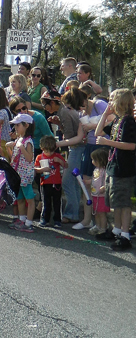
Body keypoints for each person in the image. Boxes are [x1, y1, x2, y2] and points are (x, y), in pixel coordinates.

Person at [95, 88, 136, 250]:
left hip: (124, 167)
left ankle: (125, 235)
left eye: (112, 99)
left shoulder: (129, 122)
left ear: (121, 102)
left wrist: (108, 143)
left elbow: (132, 145)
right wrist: (105, 114)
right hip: (114, 165)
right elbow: (98, 132)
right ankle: (117, 230)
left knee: (123, 202)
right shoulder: (118, 120)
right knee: (115, 200)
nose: (109, 102)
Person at [42, 89, 85, 224]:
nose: (45, 107)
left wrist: (57, 143)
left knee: (67, 181)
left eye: (46, 104)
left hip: (78, 148)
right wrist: (59, 124)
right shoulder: (63, 111)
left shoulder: (64, 112)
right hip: (76, 148)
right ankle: (74, 213)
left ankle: (71, 214)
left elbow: (72, 136)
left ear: (54, 102)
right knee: (74, 181)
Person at [71, 85, 108, 230]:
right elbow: (81, 134)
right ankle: (87, 220)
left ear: (87, 98)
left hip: (103, 146)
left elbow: (110, 120)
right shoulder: (81, 113)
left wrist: (92, 126)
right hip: (90, 147)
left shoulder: (99, 104)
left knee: (101, 182)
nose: (81, 109)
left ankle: (102, 220)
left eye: (82, 105)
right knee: (86, 183)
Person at [8, 113, 36, 232]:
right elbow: (15, 158)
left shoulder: (28, 142)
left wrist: (21, 147)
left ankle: (29, 222)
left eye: (18, 125)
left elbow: (29, 158)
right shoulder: (19, 139)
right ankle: (22, 219)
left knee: (29, 199)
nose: (15, 128)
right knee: (19, 198)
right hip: (18, 174)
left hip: (25, 175)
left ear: (26, 125)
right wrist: (10, 147)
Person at [34, 135, 66, 228]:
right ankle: (44, 219)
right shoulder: (40, 157)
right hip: (45, 183)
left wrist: (59, 160)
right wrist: (42, 169)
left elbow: (65, 165)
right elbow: (36, 169)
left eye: (51, 151)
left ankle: (57, 220)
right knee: (46, 202)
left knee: (57, 202)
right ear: (42, 148)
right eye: (46, 151)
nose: (48, 153)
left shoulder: (57, 156)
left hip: (56, 183)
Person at [89, 148, 113, 238]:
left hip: (102, 196)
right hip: (95, 195)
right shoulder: (96, 170)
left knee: (102, 212)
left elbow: (107, 181)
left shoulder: (105, 171)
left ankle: (103, 227)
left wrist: (104, 187)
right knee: (96, 212)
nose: (92, 161)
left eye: (94, 159)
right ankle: (98, 226)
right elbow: (94, 180)